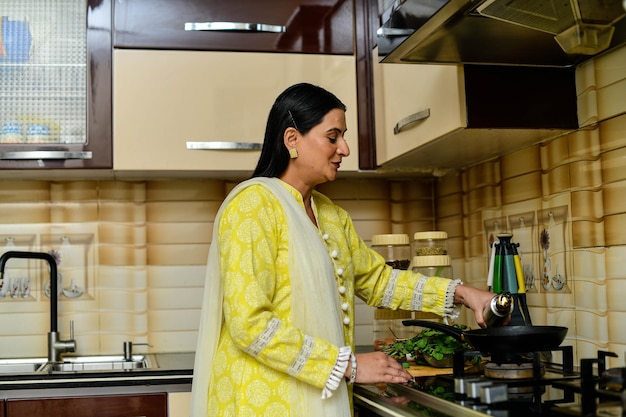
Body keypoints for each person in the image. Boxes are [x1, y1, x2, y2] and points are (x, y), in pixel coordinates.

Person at [190, 82, 497, 417]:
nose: (345, 149)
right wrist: (348, 366)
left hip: (320, 397)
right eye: (333, 137)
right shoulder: (253, 206)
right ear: (292, 139)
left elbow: (379, 282)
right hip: (260, 403)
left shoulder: (331, 216)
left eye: (344, 136)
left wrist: (464, 294)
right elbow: (249, 325)